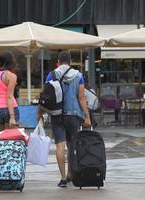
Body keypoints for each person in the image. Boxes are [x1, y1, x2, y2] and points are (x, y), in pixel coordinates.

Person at [37, 51, 91, 188]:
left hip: (57, 114)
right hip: (74, 115)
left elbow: (46, 95)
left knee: (60, 145)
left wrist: (39, 114)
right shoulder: (78, 76)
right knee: (72, 145)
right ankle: (70, 174)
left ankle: (62, 178)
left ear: (58, 62)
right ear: (70, 62)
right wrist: (87, 116)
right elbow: (81, 97)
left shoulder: (52, 74)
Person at [0, 51, 19, 135]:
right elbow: (9, 97)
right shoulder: (12, 76)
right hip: (10, 109)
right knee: (11, 140)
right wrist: (12, 117)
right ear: (12, 61)